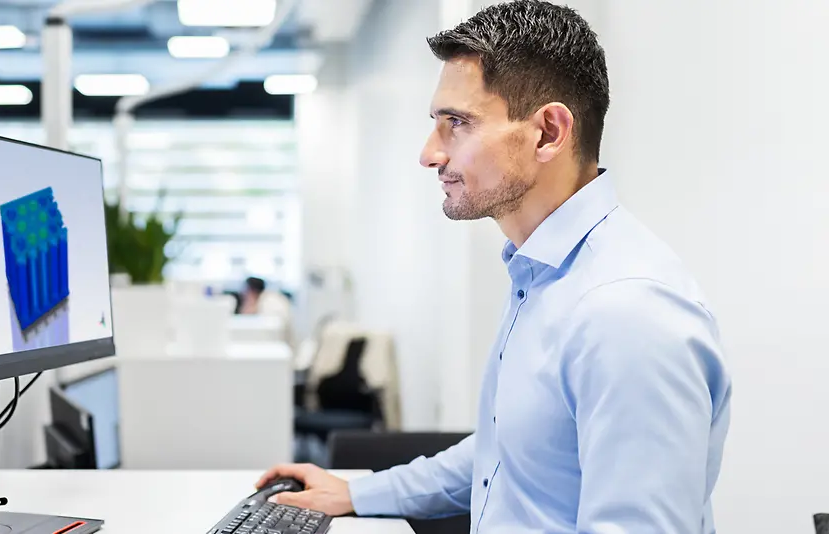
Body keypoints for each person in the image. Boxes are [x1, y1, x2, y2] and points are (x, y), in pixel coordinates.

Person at [256, 1, 732, 532]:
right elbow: (508, 450)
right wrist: (357, 492)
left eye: (457, 123)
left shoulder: (626, 312)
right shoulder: (545, 275)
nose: (429, 154)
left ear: (548, 132)